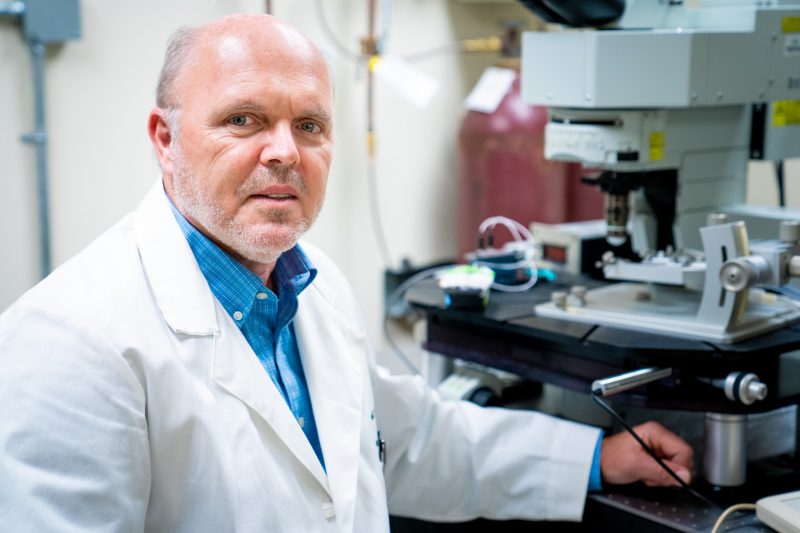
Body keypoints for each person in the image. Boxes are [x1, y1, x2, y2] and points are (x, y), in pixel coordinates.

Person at [0, 13, 693, 532]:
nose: (284, 153)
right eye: (244, 120)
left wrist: (598, 459)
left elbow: (414, 442)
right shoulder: (69, 338)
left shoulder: (312, 282)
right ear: (165, 139)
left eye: (310, 125)